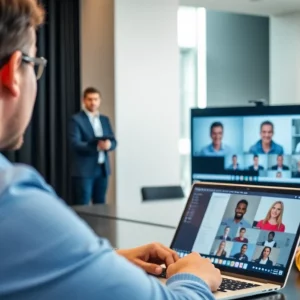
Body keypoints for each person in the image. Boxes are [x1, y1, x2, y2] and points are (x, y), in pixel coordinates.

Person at [0, 1, 222, 299]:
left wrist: (104, 263)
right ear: (15, 71)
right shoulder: (12, 198)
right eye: (34, 66)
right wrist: (194, 277)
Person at [69, 87, 117, 205]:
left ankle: (100, 225)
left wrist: (109, 145)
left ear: (100, 101)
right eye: (90, 99)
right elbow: (75, 144)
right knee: (83, 204)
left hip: (102, 169)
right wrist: (96, 147)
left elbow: (114, 141)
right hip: (84, 170)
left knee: (101, 205)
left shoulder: (105, 119)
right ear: (84, 100)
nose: (93, 102)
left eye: (96, 99)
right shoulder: (76, 120)